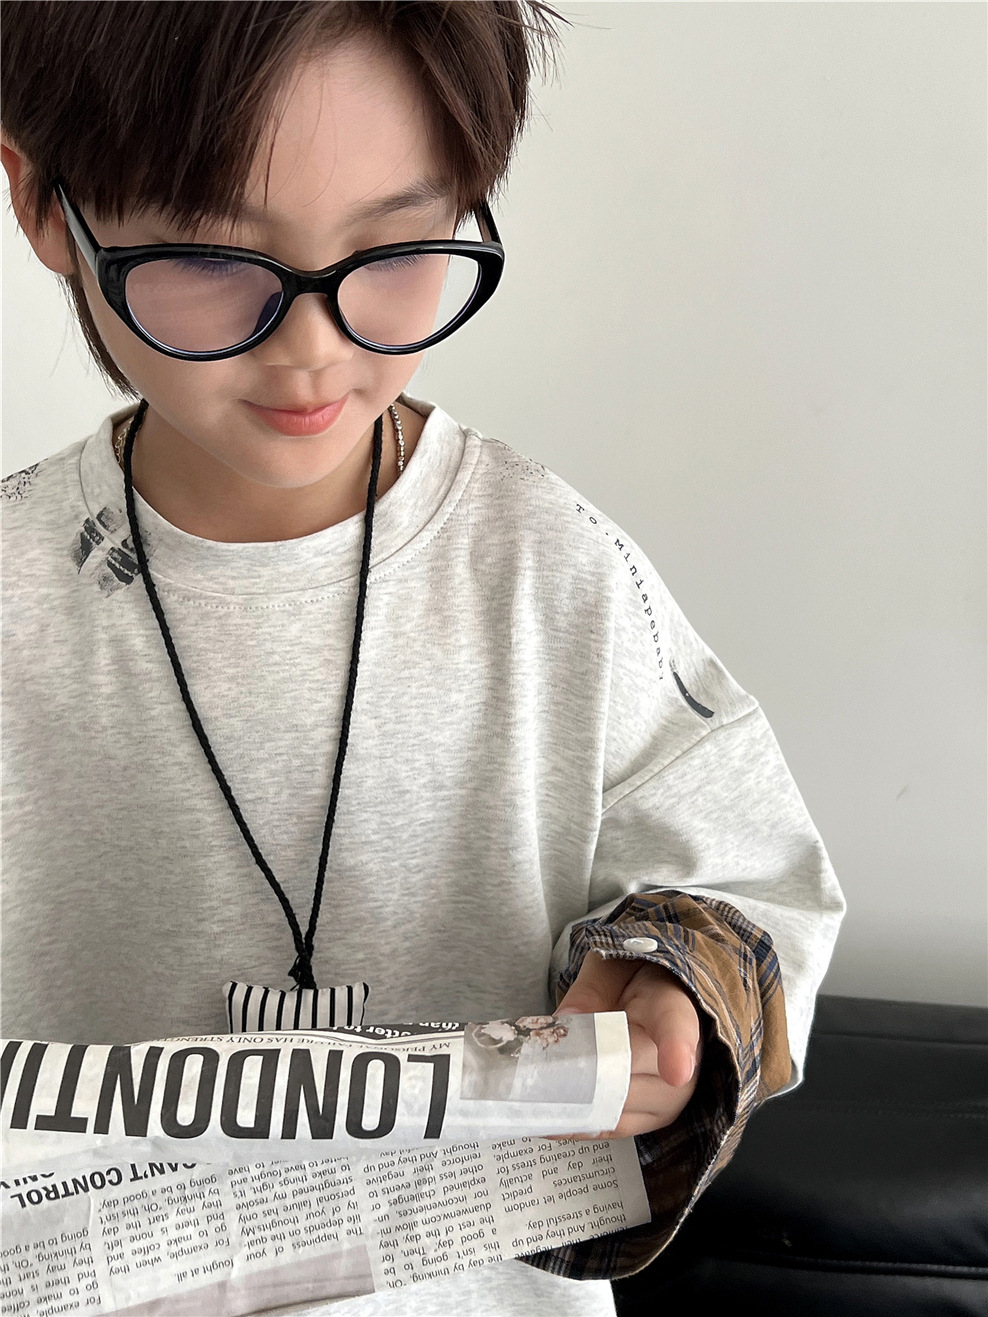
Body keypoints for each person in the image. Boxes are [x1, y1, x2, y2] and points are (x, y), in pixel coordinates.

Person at [0, 3, 846, 1315]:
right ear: (45, 205)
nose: (313, 347)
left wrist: (677, 984)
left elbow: (752, 880)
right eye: (212, 254)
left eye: (397, 248)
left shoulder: (552, 573)